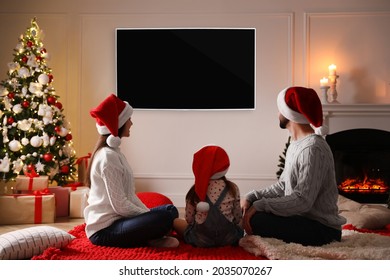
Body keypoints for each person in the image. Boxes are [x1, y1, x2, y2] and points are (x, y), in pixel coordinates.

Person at [241, 86, 346, 246]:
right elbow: (283, 186)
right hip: (301, 219)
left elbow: (303, 201)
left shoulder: (312, 148)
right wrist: (252, 197)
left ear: (289, 114)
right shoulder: (296, 144)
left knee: (257, 219)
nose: (277, 114)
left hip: (323, 230)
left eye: (279, 109)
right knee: (247, 210)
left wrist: (260, 206)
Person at [84, 94, 179, 248]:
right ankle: (152, 235)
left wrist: (148, 214)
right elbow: (120, 205)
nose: (132, 123)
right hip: (105, 230)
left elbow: (129, 196)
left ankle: (149, 235)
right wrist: (150, 216)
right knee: (164, 217)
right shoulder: (108, 158)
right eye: (129, 119)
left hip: (121, 220)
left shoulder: (115, 153)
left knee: (169, 210)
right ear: (120, 124)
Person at [174, 145, 244, 247]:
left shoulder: (195, 190)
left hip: (200, 240)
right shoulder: (233, 188)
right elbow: (237, 217)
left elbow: (189, 220)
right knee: (242, 222)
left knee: (175, 221)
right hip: (229, 239)